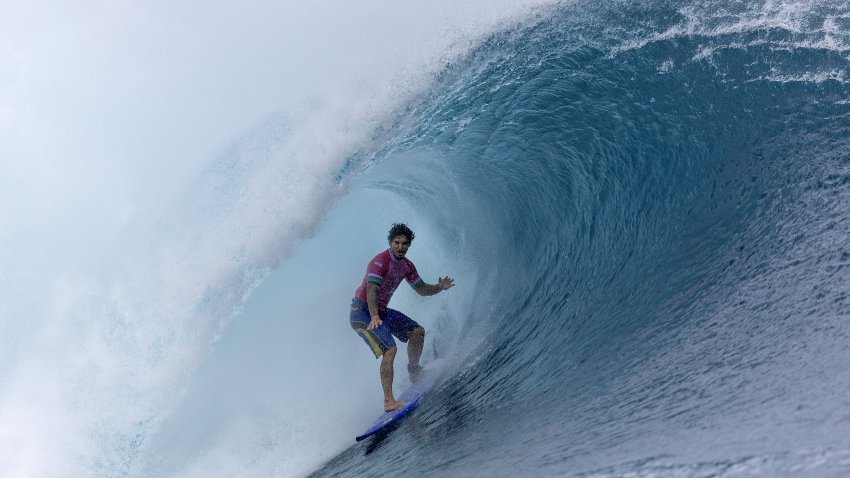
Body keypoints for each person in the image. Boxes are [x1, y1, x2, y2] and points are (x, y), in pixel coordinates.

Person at [349, 223, 455, 412]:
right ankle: (389, 401)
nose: (400, 247)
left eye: (404, 244)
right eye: (397, 243)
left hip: (381, 312)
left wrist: (439, 287)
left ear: (409, 245)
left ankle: (414, 372)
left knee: (417, 331)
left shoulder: (407, 266)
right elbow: (372, 290)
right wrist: (373, 316)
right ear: (390, 243)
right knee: (390, 349)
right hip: (362, 312)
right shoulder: (380, 262)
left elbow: (421, 289)